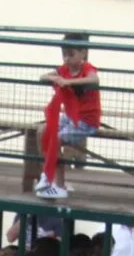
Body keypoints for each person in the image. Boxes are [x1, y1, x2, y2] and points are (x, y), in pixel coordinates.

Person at [30, 33, 102, 202]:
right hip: (70, 116)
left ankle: (59, 185)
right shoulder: (63, 70)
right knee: (43, 131)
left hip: (86, 121)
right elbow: (43, 76)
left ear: (83, 53)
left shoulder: (87, 69)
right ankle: (47, 176)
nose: (67, 59)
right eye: (64, 55)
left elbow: (94, 78)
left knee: (56, 139)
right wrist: (56, 78)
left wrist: (69, 83)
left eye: (71, 54)